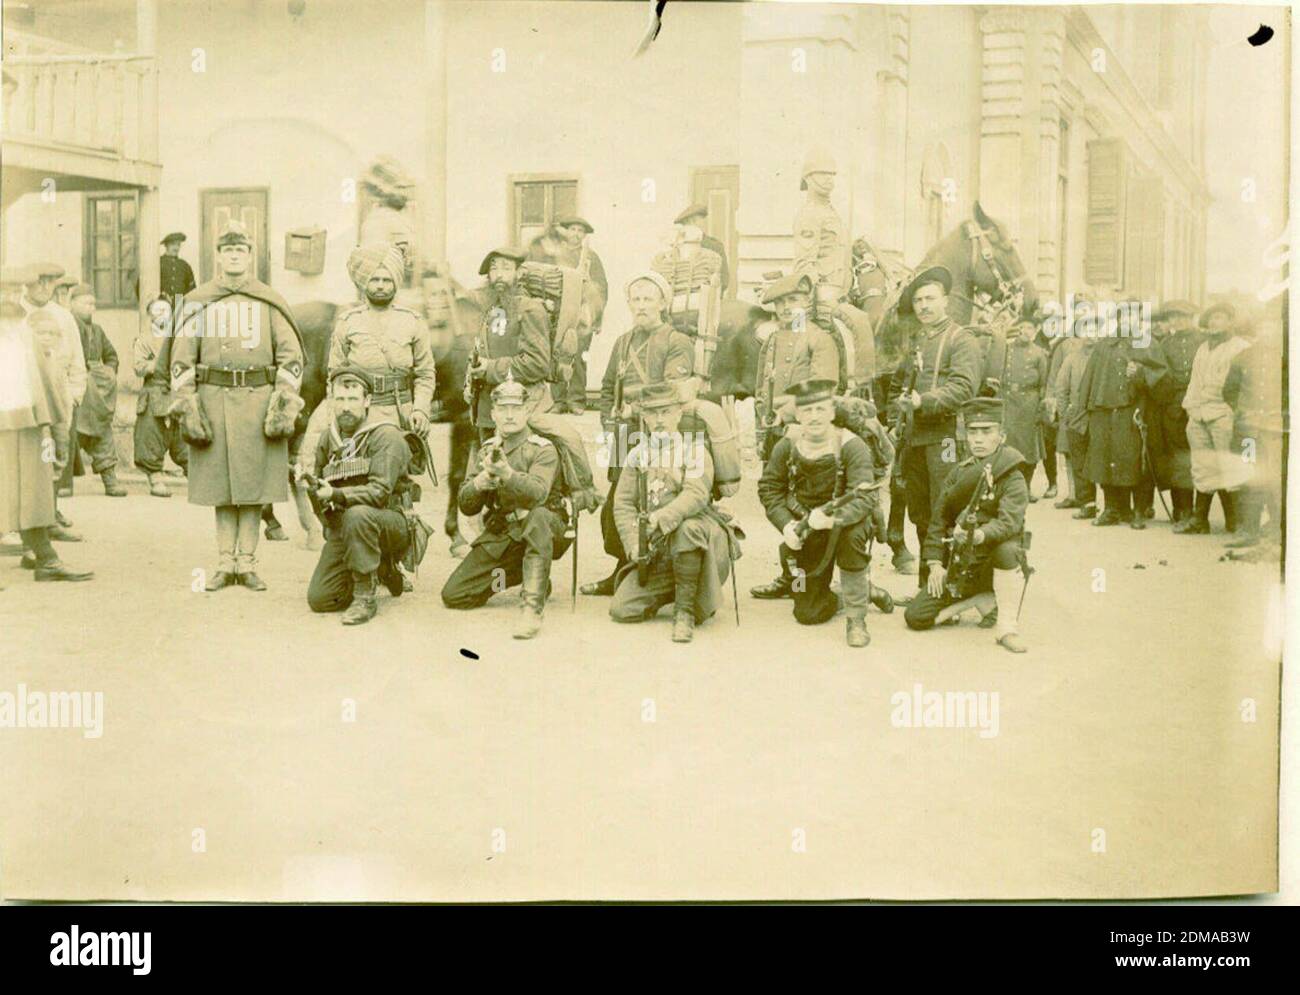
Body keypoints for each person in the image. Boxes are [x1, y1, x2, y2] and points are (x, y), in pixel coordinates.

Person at [168, 220, 305, 591]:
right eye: (227, 250)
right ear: (218, 256)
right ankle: (224, 563)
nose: (233, 256)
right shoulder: (198, 301)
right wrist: (188, 403)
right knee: (222, 489)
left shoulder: (268, 300)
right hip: (213, 405)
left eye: (240, 250)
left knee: (253, 489)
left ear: (249, 256)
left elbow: (292, 358)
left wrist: (283, 401)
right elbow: (180, 360)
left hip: (260, 407)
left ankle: (247, 564)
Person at [582, 272, 695, 596]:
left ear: (663, 303)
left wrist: (636, 409)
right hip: (624, 437)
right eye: (636, 299)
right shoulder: (623, 342)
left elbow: (671, 392)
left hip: (660, 434)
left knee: (657, 498)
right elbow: (606, 389)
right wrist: (608, 423)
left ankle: (663, 572)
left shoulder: (676, 341)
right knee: (620, 503)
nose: (642, 305)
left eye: (649, 299)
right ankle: (624, 566)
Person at [441, 376, 571, 638]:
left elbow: (538, 494)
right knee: (456, 594)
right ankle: (520, 574)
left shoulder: (542, 449)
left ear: (527, 411)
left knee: (538, 517)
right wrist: (480, 482)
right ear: (493, 413)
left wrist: (507, 474)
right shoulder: (487, 450)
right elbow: (466, 506)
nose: (510, 415)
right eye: (503, 409)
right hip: (506, 534)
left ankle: (532, 608)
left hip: (545, 529)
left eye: (516, 408)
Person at [757, 378, 883, 647]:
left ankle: (856, 618)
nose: (814, 417)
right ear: (798, 414)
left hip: (847, 521)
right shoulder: (786, 446)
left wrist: (832, 520)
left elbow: (864, 496)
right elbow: (769, 489)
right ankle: (856, 593)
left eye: (820, 409)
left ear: (832, 412)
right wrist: (786, 526)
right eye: (807, 411)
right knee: (806, 612)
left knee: (851, 541)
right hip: (806, 527)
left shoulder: (852, 445)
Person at [608, 381, 736, 643]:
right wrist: (634, 543)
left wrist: (659, 518)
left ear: (679, 414)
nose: (659, 420)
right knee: (623, 609)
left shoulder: (695, 450)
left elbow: (696, 494)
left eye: (666, 412)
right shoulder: (636, 455)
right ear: (643, 417)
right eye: (652, 413)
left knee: (687, 528)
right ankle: (675, 588)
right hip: (658, 547)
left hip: (698, 541)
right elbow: (622, 504)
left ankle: (685, 611)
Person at [904, 398, 1030, 654]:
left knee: (1009, 550)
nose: (979, 439)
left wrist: (980, 535)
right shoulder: (957, 473)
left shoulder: (1012, 474)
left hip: (992, 559)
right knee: (916, 617)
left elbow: (1009, 522)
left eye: (987, 431)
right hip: (962, 563)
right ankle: (974, 599)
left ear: (1001, 436)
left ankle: (1006, 627)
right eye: (973, 432)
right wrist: (935, 564)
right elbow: (938, 522)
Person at [887, 265, 982, 589]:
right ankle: (927, 587)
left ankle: (955, 586)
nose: (924, 306)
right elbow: (896, 384)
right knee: (920, 512)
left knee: (946, 510)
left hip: (945, 438)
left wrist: (922, 402)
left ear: (946, 301)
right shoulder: (916, 342)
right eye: (918, 301)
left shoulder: (961, 339)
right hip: (913, 439)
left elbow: (964, 387)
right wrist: (893, 417)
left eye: (930, 298)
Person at [748, 274, 839, 601]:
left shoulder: (818, 339)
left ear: (806, 302)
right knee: (777, 497)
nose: (787, 308)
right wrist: (763, 425)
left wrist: (786, 412)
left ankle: (813, 576)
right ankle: (792, 574)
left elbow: (824, 389)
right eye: (780, 303)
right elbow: (762, 386)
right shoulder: (773, 340)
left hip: (807, 433)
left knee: (805, 503)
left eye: (793, 301)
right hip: (776, 434)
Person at [305, 368, 414, 625]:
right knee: (321, 599)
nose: (345, 407)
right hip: (348, 529)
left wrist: (336, 493)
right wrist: (314, 490)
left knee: (358, 513)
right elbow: (321, 491)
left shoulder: (386, 435)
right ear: (331, 401)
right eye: (339, 399)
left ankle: (365, 597)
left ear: (367, 401)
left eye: (352, 400)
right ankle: (381, 568)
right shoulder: (328, 439)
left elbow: (379, 493)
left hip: (390, 525)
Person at [0, 295, 92, 582]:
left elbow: (46, 386)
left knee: (32, 493)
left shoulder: (26, 339)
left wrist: (54, 429)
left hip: (28, 421)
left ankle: (45, 559)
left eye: (12, 292)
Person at [1077, 304, 1168, 528]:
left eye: (1133, 316)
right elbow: (1089, 378)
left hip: (1136, 411)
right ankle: (1113, 508)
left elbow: (1162, 377)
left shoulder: (1148, 343)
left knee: (1136, 460)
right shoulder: (1104, 345)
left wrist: (1140, 373)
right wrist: (1083, 410)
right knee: (1105, 459)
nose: (1128, 320)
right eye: (1124, 315)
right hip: (1104, 411)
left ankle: (1139, 510)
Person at [329, 244, 435, 434]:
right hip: (359, 414)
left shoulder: (413, 321)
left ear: (396, 283)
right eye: (374, 279)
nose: (380, 285)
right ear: (364, 283)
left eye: (387, 280)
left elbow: (425, 374)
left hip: (402, 412)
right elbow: (335, 374)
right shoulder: (348, 322)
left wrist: (420, 409)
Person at [20, 263, 86, 524]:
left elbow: (77, 361)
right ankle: (27, 523)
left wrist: (73, 395)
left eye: (51, 282)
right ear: (28, 283)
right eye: (40, 281)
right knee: (28, 461)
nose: (46, 288)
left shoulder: (64, 317)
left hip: (58, 400)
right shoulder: (15, 314)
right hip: (25, 402)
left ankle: (50, 516)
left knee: (56, 457)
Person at [1178, 303, 1251, 535]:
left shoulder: (1240, 347)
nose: (1214, 323)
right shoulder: (1203, 348)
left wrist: (1227, 410)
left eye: (1220, 318)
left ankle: (1236, 522)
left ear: (1230, 321)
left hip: (1222, 414)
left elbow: (1230, 386)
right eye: (1211, 319)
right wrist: (1190, 407)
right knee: (1202, 467)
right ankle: (1200, 520)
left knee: (1229, 465)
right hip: (1198, 414)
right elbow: (1194, 381)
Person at [465, 246, 552, 439]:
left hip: (522, 410)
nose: (499, 275)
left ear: (519, 274)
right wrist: (470, 379)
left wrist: (490, 369)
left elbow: (538, 364)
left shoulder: (530, 309)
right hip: (489, 412)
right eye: (494, 269)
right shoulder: (489, 309)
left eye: (506, 268)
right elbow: (480, 350)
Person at [65, 286, 126, 497]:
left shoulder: (98, 331)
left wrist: (107, 373)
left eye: (93, 304)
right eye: (86, 303)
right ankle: (62, 483)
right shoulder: (65, 326)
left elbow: (111, 355)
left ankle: (110, 480)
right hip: (73, 387)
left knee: (102, 430)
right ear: (72, 303)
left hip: (96, 391)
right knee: (68, 432)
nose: (91, 308)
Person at [984, 316, 1048, 499]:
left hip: (1029, 404)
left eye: (1030, 328)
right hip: (1008, 401)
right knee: (1006, 446)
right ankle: (1006, 488)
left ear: (1035, 332)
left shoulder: (1039, 354)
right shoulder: (1006, 350)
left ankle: (1026, 487)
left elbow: (1043, 384)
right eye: (1022, 327)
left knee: (1029, 449)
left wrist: (1040, 408)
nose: (1025, 331)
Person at [133, 296, 189, 496]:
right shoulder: (143, 340)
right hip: (154, 390)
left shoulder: (181, 337)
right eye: (156, 311)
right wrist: (158, 364)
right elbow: (138, 367)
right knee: (151, 435)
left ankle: (195, 474)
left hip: (178, 390)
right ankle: (155, 478)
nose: (161, 315)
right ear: (149, 316)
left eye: (165, 310)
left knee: (185, 434)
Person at [792, 149, 850, 315]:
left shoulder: (831, 212)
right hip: (823, 294)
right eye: (822, 173)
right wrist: (804, 310)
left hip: (841, 292)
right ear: (808, 178)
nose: (829, 179)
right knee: (859, 323)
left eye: (832, 174)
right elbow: (803, 265)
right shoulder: (809, 215)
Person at [1051, 316, 1098, 519]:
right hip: (1076, 418)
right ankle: (1087, 502)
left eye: (1095, 331)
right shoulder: (1071, 358)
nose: (1090, 335)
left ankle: (1113, 506)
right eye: (1086, 330)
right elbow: (1061, 387)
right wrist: (1065, 414)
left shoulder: (1103, 357)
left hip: (1099, 417)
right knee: (1078, 460)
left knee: (1100, 460)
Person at [674, 205, 731, 295]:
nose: (690, 227)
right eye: (686, 223)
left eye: (694, 222)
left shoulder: (715, 246)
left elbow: (724, 279)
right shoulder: (675, 247)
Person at [159, 232, 197, 305]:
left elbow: (192, 289)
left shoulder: (184, 265)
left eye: (178, 245)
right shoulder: (157, 263)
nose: (176, 248)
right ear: (166, 245)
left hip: (180, 305)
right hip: (161, 305)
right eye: (173, 244)